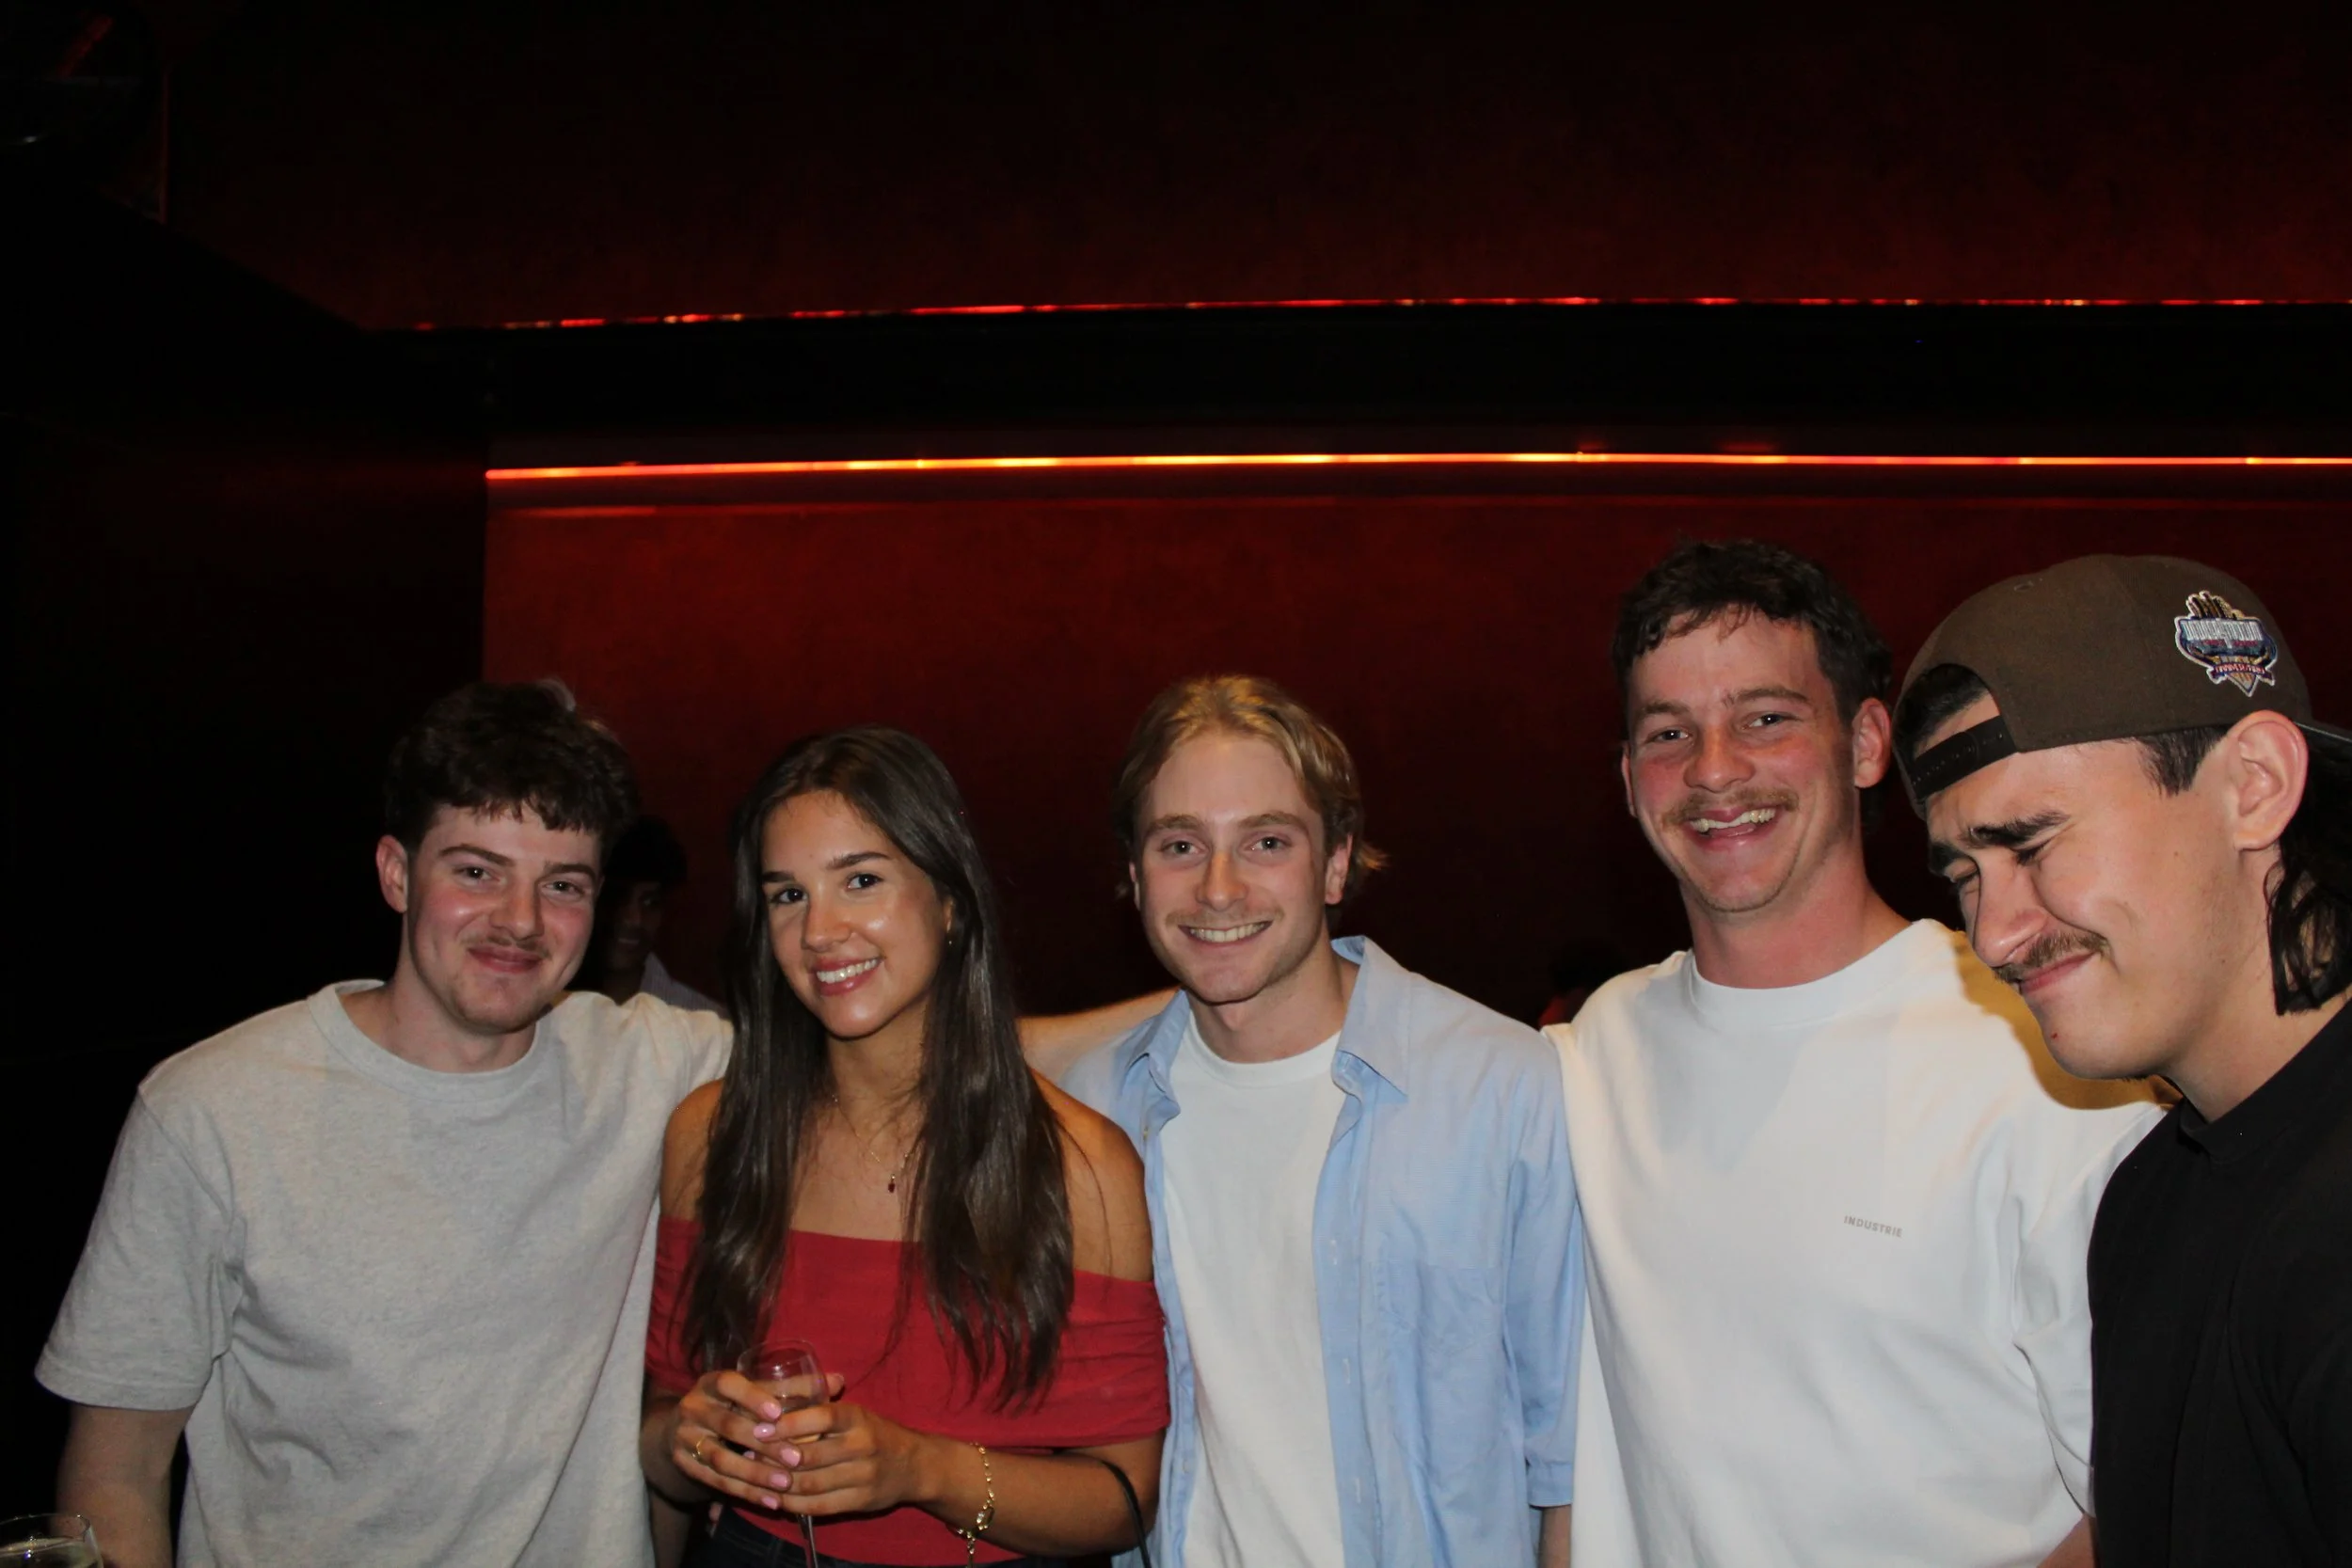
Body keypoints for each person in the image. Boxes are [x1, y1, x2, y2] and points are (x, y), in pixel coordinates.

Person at [1554, 540, 2158, 1568]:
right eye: (1668, 732)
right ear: (1627, 778)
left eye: (1766, 717)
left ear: (1867, 741)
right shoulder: (1587, 1059)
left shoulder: (2049, 1062)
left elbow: (2146, 1500)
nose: (1713, 768)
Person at [37, 680, 733, 1568]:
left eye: (562, 885)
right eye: (476, 871)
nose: (520, 921)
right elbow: (117, 1474)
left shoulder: (650, 1064)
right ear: (397, 873)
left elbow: (873, 1059)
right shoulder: (212, 1110)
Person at [1057, 674, 1581, 1568]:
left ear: (1337, 863)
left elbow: (1567, 1454)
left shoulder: (1500, 1086)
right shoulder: (1097, 1110)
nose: (1219, 888)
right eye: (1181, 844)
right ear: (1134, 875)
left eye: (1266, 841)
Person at [1894, 554, 2352, 1566]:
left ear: (2254, 785)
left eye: (2033, 844)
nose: (1994, 934)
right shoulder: (2149, 1197)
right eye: (1965, 874)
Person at [642, 726, 1167, 1568]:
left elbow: (1126, 1498)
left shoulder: (1079, 1167)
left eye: (861, 879)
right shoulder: (713, 1135)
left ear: (949, 901)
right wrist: (692, 1438)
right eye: (788, 894)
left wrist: (923, 1469)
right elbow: (662, 1431)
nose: (820, 930)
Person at [581, 815, 723, 1012]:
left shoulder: (698, 1019)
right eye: (617, 899)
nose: (634, 920)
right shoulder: (548, 1004)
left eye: (650, 903)